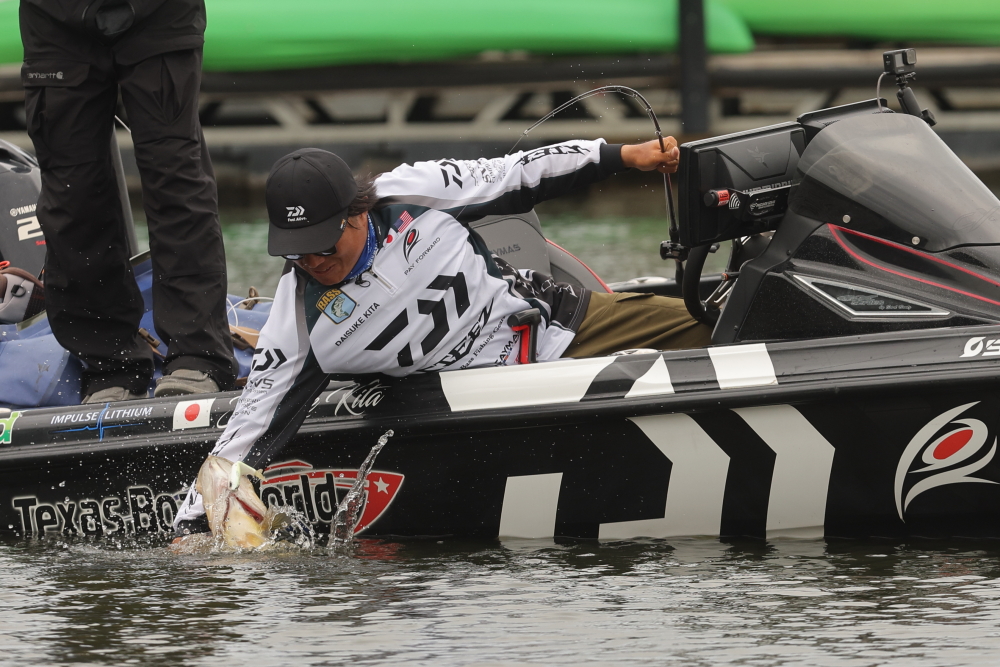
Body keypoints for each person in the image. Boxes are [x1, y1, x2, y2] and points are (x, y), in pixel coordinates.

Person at [173, 137, 711, 534]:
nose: (313, 262)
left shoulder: (415, 192)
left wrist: (621, 157)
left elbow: (518, 171)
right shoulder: (297, 318)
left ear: (356, 213)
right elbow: (250, 424)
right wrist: (192, 526)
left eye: (322, 245)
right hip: (476, 406)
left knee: (715, 321)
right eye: (296, 252)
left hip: (557, 325)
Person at [19, 0, 238, 403]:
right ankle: (109, 364)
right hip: (55, 16)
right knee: (71, 195)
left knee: (174, 177)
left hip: (159, 12)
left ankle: (198, 354)